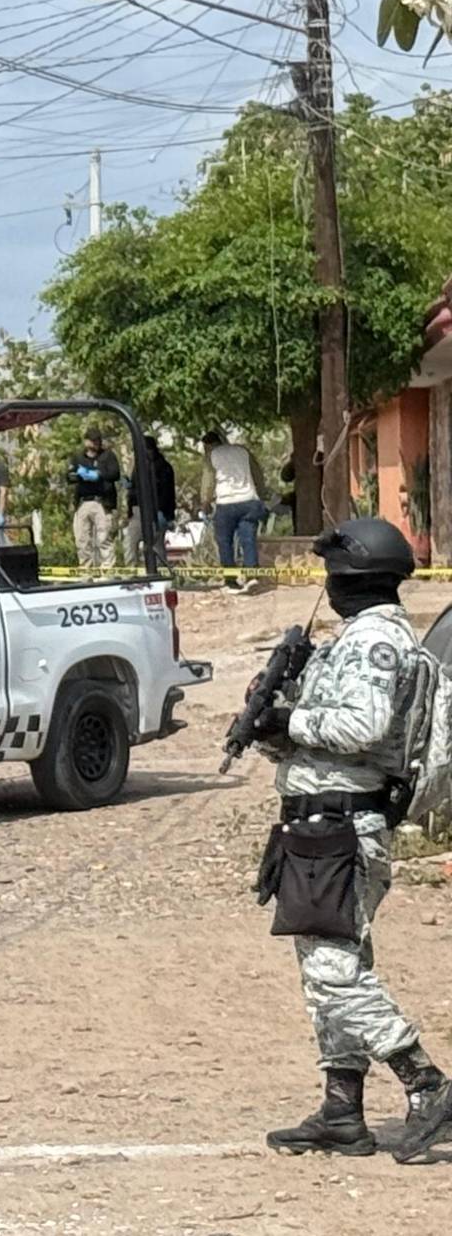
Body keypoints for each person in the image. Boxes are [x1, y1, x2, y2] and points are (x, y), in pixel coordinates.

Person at [251, 518, 452, 1162]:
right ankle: (343, 1107)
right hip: (323, 821)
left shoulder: (375, 644)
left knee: (334, 972)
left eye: (334, 578)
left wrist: (292, 718)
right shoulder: (359, 639)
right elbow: (329, 735)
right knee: (333, 966)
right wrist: (273, 729)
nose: (328, 589)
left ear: (354, 579)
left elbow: (362, 726)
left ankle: (428, 1085)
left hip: (344, 827)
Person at [203, 429, 269, 593]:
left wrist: (205, 502)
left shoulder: (211, 456)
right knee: (248, 539)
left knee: (225, 542)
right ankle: (251, 576)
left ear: (208, 445)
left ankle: (231, 580)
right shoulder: (242, 451)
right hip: (248, 501)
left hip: (226, 504)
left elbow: (208, 481)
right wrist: (261, 495)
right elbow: (257, 474)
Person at [66, 428, 121, 573]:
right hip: (83, 501)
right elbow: (69, 476)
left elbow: (115, 474)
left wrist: (99, 474)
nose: (95, 443)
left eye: (97, 440)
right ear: (86, 441)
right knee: (82, 539)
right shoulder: (78, 458)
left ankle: (107, 570)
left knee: (104, 538)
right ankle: (85, 570)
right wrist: (79, 475)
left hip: (102, 502)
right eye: (92, 440)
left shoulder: (107, 456)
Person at [121, 436, 178, 567]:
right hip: (138, 510)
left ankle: (160, 573)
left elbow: (167, 492)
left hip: (156, 510)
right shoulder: (138, 466)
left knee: (156, 546)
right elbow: (137, 489)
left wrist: (164, 512)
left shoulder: (163, 467)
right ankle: (132, 573)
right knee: (130, 542)